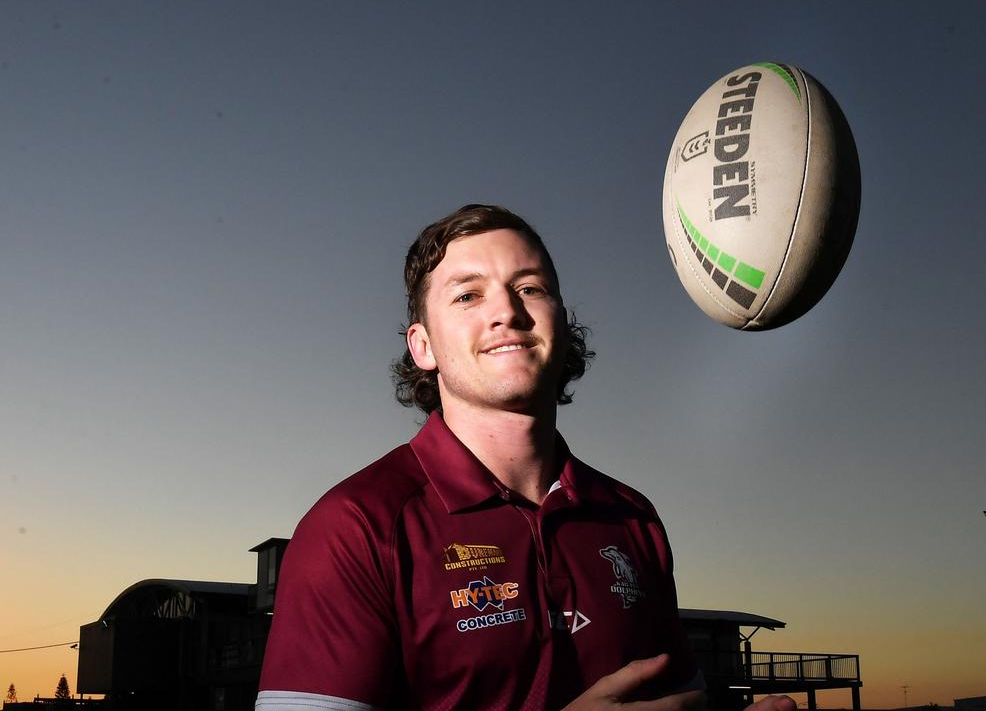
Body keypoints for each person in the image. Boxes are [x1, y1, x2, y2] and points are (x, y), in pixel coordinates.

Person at [256, 205, 794, 711]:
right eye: (467, 296)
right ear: (423, 347)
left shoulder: (630, 517)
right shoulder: (355, 526)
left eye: (530, 288)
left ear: (562, 324)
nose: (507, 312)